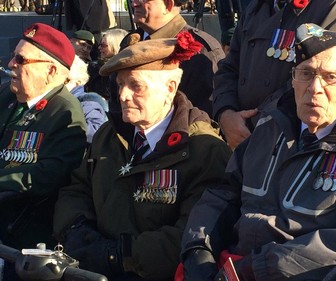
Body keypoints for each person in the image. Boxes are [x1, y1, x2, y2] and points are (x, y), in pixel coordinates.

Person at [180, 23, 336, 280]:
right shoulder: (268, 127)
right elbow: (222, 193)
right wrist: (198, 249)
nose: (315, 88)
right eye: (306, 74)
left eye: (331, 77)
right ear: (293, 80)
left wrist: (257, 268)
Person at [53, 32, 232, 281]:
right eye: (119, 85)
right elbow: (76, 189)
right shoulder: (110, 134)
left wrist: (120, 255)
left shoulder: (204, 150)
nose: (123, 95)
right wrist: (76, 231)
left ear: (170, 88)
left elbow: (193, 234)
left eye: (135, 86)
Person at [214, 0, 336, 150]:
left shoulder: (335, 5)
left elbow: (322, 79)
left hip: (291, 141)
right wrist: (226, 114)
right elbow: (229, 67)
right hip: (243, 139)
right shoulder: (257, 7)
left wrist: (257, 126)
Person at [0, 22, 87, 251]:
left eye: (21, 60)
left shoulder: (65, 113)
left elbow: (48, 175)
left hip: (21, 232)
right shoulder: (6, 94)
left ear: (50, 71)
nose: (11, 65)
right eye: (13, 57)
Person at [116, 0, 225, 117]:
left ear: (168, 5)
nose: (134, 4)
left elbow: (205, 116)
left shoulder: (199, 49)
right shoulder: (130, 42)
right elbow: (116, 107)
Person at [65, 55, 108, 145]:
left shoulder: (88, 101)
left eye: (65, 81)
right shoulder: (56, 100)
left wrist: (62, 126)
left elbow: (96, 133)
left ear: (78, 83)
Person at [86, 28, 128, 100]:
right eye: (99, 45)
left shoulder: (126, 69)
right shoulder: (94, 67)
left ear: (115, 46)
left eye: (103, 45)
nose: (99, 48)